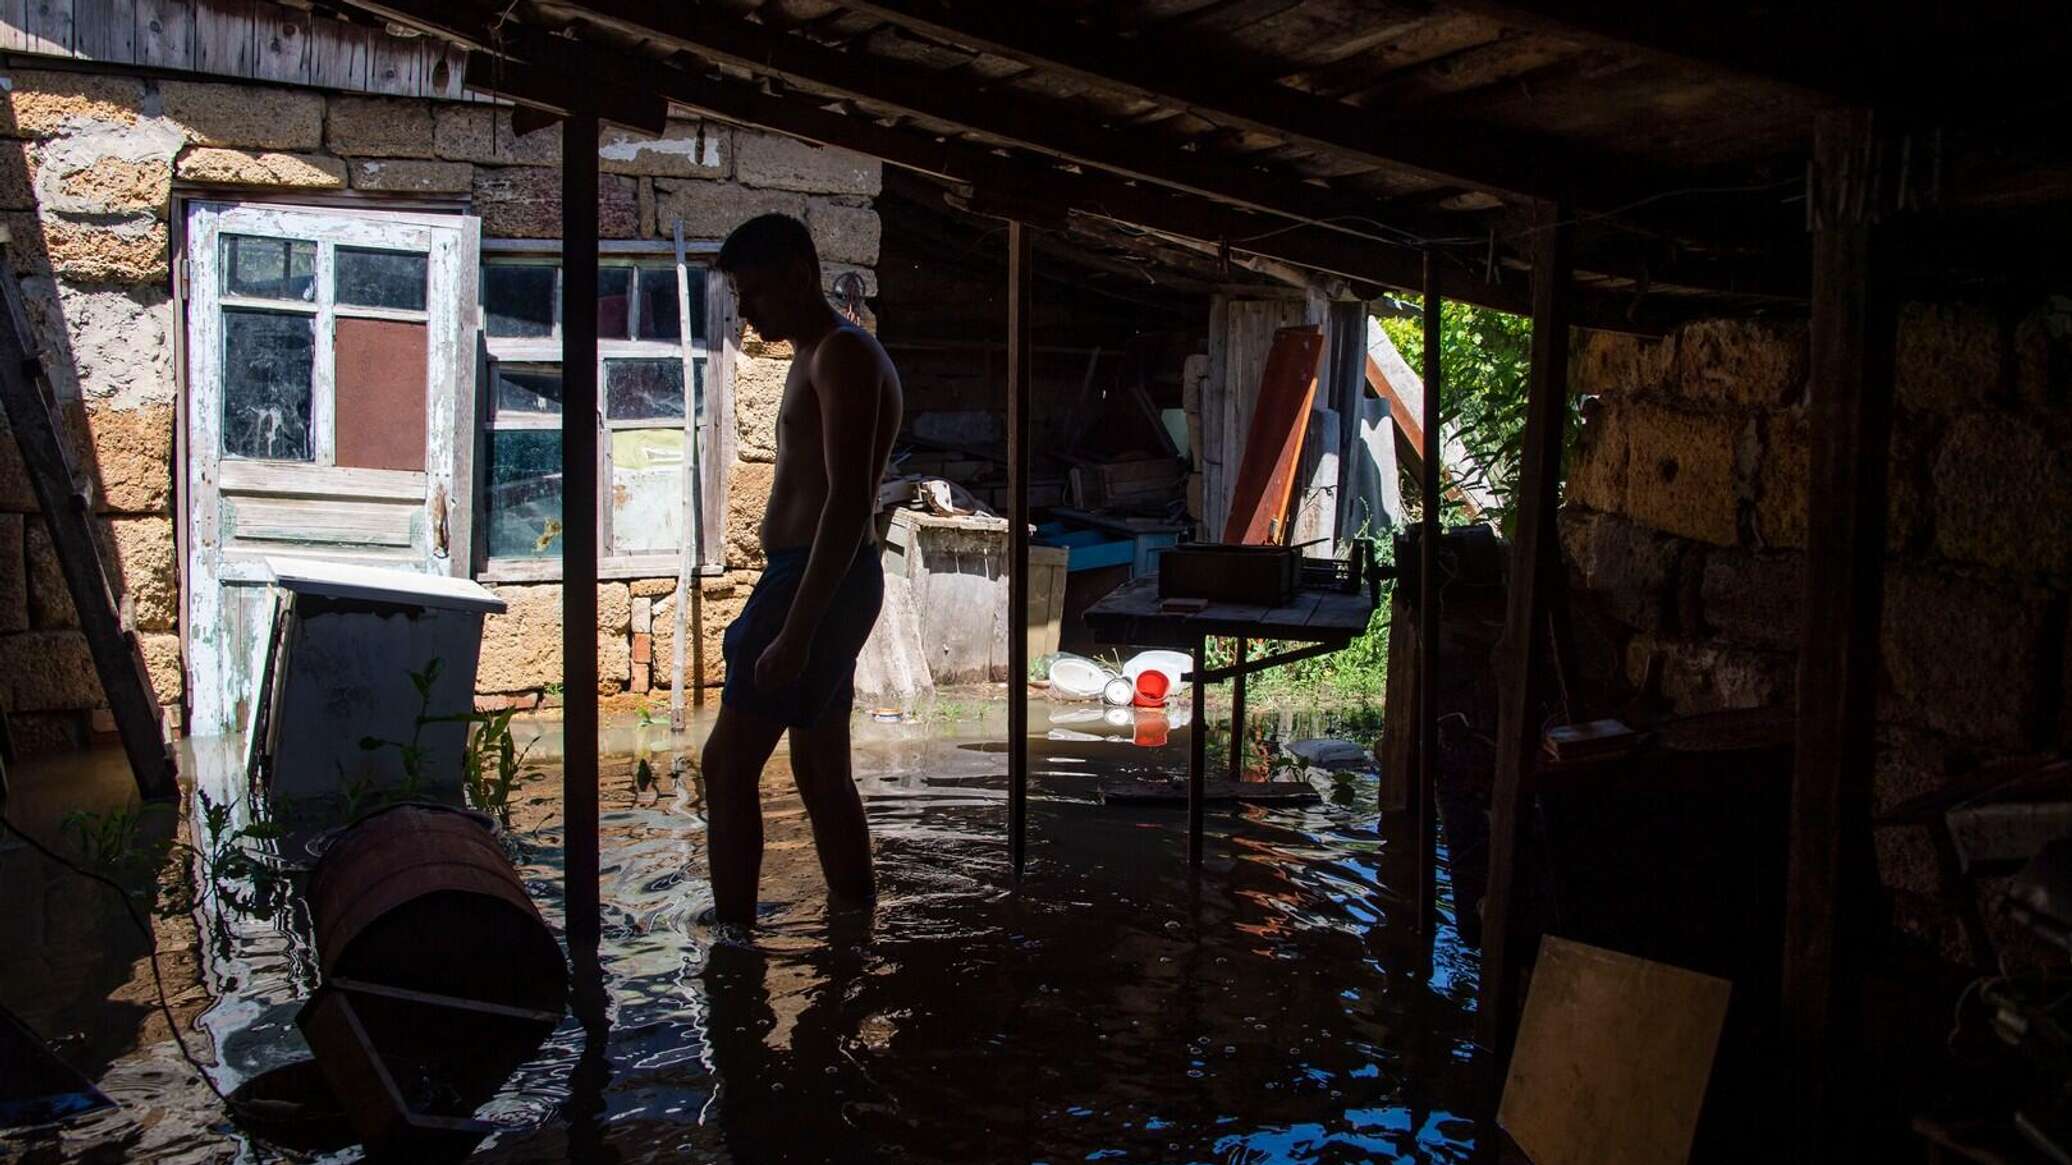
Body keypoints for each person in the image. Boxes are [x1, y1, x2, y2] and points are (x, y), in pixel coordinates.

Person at [701, 213, 902, 930]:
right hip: (824, 576)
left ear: (798, 275)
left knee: (725, 767)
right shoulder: (820, 351)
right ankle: (855, 923)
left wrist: (796, 628)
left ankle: (733, 942)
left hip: (814, 578)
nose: (747, 310)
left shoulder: (840, 356)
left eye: (754, 292)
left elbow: (847, 500)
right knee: (820, 774)